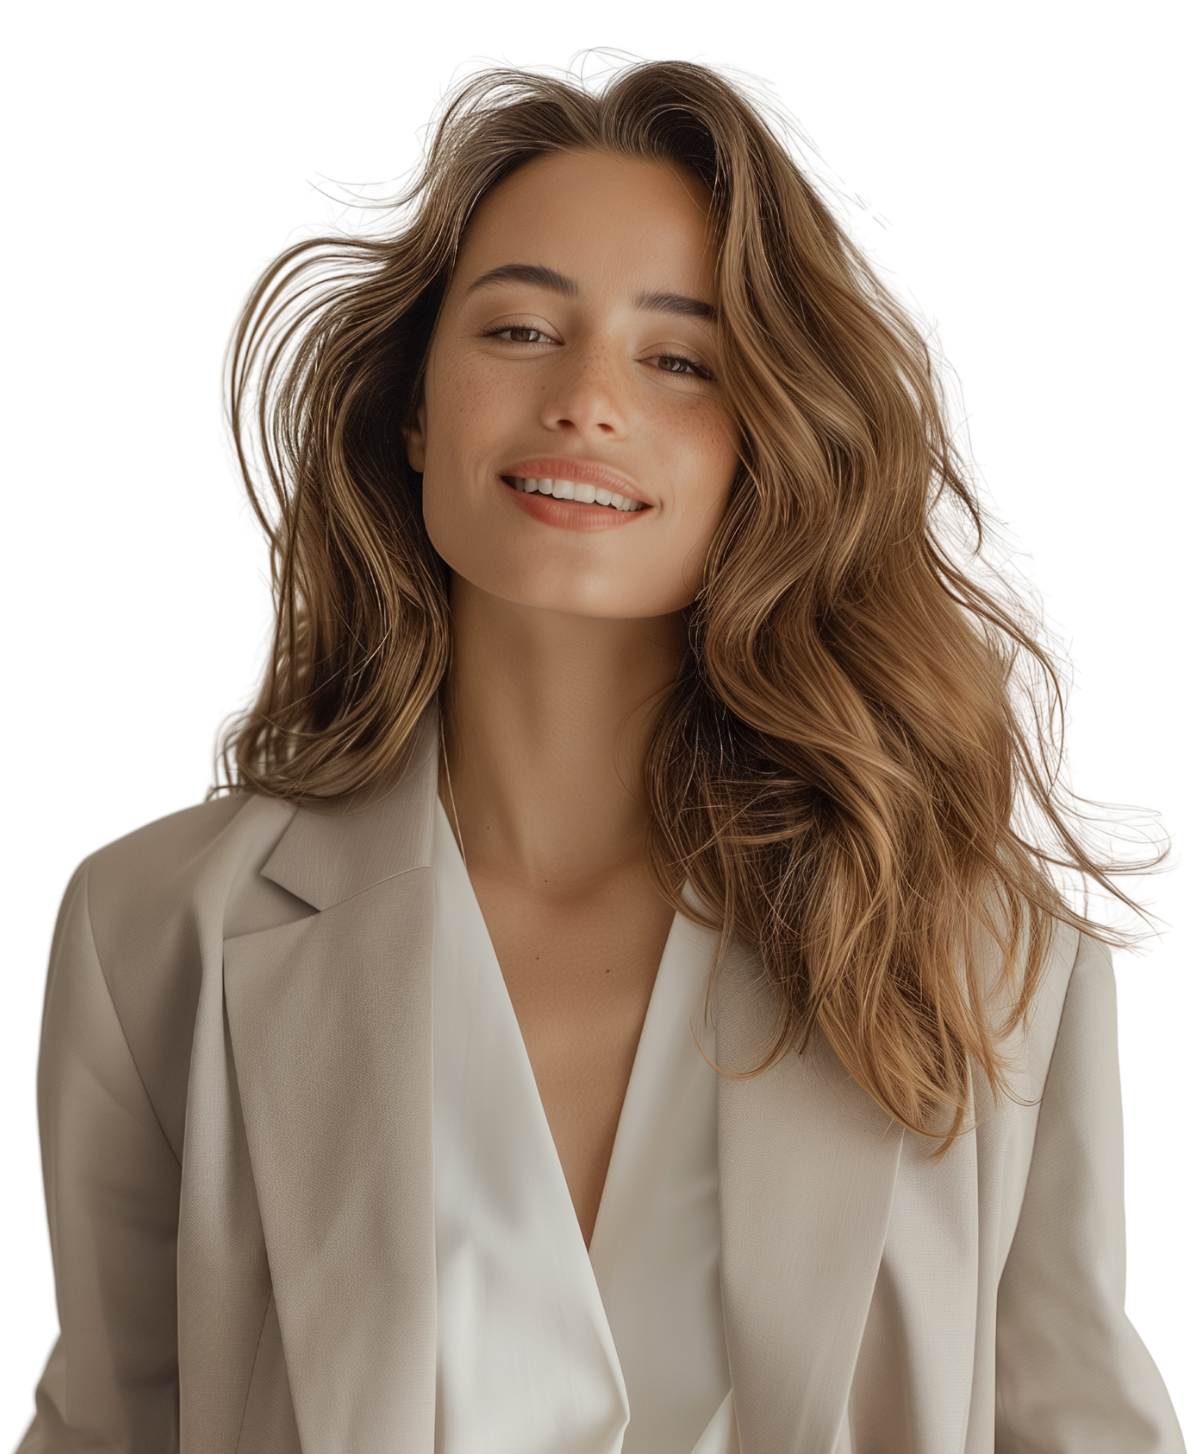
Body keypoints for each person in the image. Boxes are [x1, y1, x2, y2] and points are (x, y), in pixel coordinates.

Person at [15, 47, 1187, 1454]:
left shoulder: (986, 948)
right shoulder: (156, 930)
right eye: (518, 330)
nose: (587, 400)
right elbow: (107, 1426)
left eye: (681, 359)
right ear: (408, 398)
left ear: (770, 445)